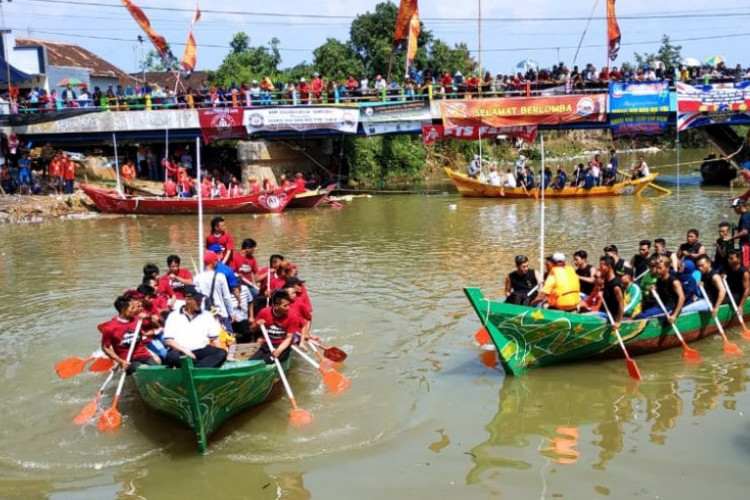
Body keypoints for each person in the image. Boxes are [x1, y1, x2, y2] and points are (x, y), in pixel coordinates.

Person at [162, 286, 227, 368]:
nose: (200, 302)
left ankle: (197, 369)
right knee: (173, 356)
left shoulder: (207, 315)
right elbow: (169, 341)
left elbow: (214, 339)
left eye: (200, 300)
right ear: (187, 300)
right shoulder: (173, 316)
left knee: (221, 353)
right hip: (180, 351)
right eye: (197, 300)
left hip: (200, 351)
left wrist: (223, 356)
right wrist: (186, 351)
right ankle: (202, 367)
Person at [99, 295, 156, 375]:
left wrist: (149, 317)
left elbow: (156, 323)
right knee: (144, 369)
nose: (134, 310)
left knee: (156, 369)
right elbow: (105, 348)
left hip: (144, 354)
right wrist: (119, 361)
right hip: (128, 360)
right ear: (123, 310)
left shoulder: (137, 319)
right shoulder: (110, 328)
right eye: (132, 308)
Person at [250, 290, 301, 363]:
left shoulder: (293, 316)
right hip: (267, 345)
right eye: (285, 306)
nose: (288, 308)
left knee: (266, 361)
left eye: (288, 305)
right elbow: (252, 329)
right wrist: (257, 325)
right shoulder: (264, 312)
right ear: (276, 306)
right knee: (252, 362)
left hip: (282, 346)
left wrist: (279, 351)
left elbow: (289, 338)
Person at [195, 250, 236, 332]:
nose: (217, 262)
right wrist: (231, 313)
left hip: (205, 313)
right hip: (220, 313)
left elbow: (196, 299)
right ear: (212, 262)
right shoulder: (220, 277)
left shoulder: (197, 278)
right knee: (227, 339)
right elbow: (226, 297)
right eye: (216, 260)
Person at [635, 256, 685, 321]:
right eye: (657, 268)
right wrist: (652, 291)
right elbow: (653, 297)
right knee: (640, 312)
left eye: (660, 268)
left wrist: (674, 315)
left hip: (670, 308)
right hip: (660, 305)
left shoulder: (674, 282)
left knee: (641, 316)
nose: (658, 270)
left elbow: (682, 298)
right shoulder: (659, 280)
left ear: (667, 268)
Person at [599, 255, 625, 327]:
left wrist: (618, 322)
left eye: (602, 266)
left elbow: (621, 303)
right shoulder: (606, 279)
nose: (600, 268)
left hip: (611, 315)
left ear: (609, 266)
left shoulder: (616, 286)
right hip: (604, 309)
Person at [729, 198, 750, 267]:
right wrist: (738, 228)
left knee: (745, 264)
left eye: (735, 207)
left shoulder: (744, 216)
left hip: (746, 244)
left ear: (740, 206)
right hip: (746, 244)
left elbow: (745, 232)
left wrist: (731, 238)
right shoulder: (746, 215)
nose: (734, 210)